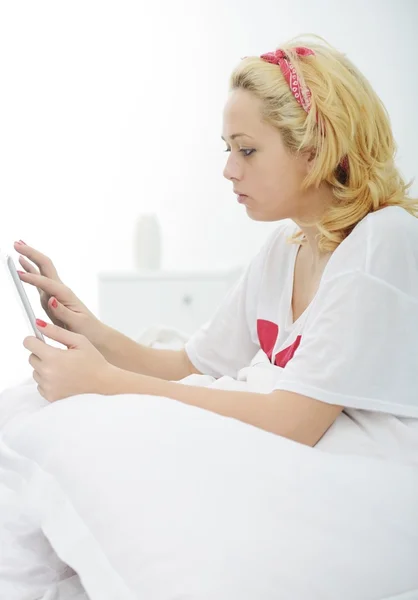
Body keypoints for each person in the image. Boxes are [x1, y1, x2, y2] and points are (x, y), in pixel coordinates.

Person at [14, 35, 418, 457]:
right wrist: (85, 326)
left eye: (247, 150)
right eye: (229, 150)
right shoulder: (287, 246)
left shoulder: (382, 240)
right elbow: (189, 367)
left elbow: (294, 423)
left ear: (316, 151)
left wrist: (105, 383)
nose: (228, 170)